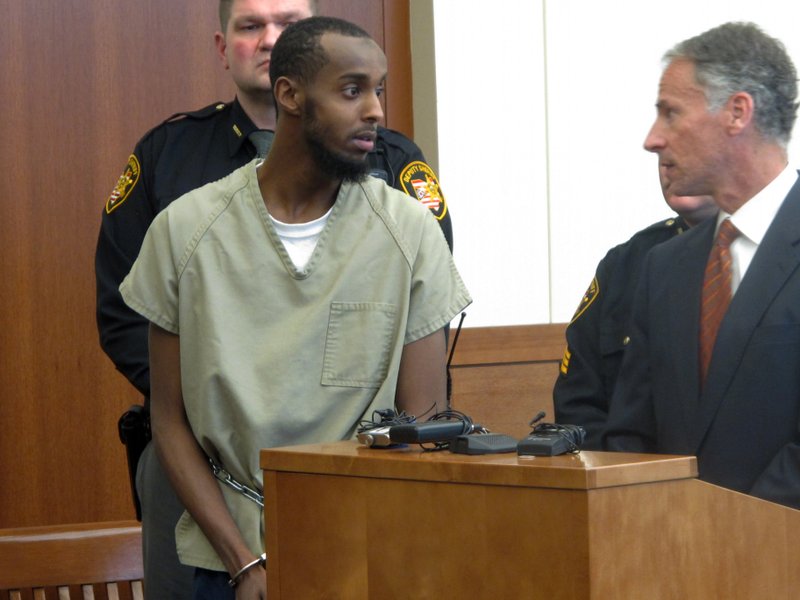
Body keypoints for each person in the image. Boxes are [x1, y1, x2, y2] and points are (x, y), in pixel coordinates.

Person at [94, 1, 453, 597]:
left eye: (378, 90)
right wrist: (218, 390)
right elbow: (159, 384)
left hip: (354, 523)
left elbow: (421, 416)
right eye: (352, 90)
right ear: (291, 94)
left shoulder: (401, 210)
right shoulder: (183, 199)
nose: (375, 109)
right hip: (207, 499)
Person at [602, 21, 800, 510]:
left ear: (737, 112)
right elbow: (630, 433)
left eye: (671, 113)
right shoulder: (663, 267)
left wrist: (729, 534)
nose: (653, 139)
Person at [553, 182, 716, 449]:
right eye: (662, 158)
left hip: (756, 486)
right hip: (631, 478)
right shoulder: (627, 263)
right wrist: (625, 478)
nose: (667, 164)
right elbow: (577, 402)